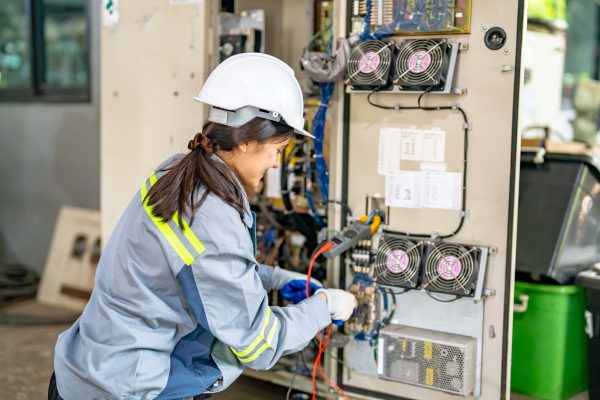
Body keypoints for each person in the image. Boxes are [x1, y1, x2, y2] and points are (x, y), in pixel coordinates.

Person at [49, 53, 358, 400]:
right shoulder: (212, 214)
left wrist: (272, 278)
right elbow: (259, 345)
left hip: (83, 368)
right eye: (278, 148)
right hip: (128, 388)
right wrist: (324, 306)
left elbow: (195, 269)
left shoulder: (178, 170)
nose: (276, 162)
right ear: (246, 141)